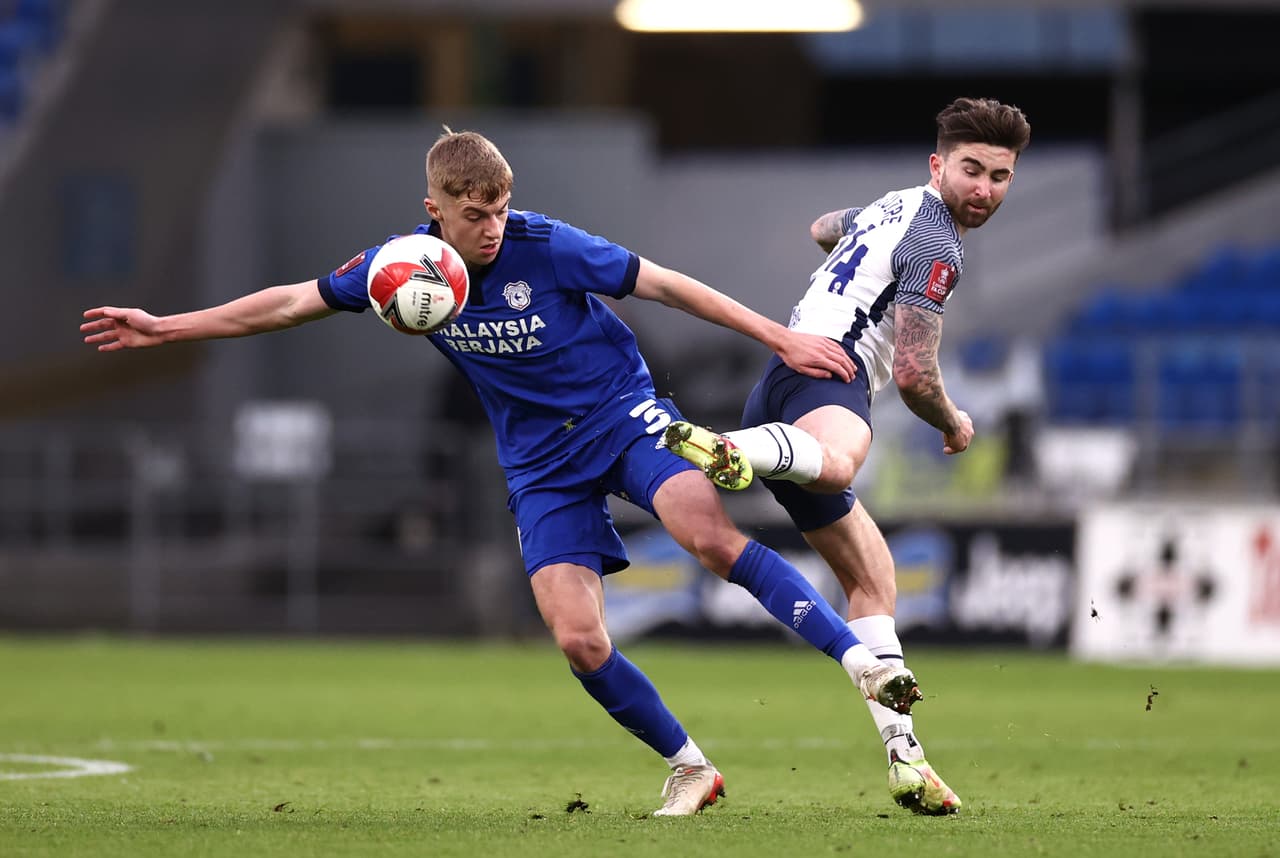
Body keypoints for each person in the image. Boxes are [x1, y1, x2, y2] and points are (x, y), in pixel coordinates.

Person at [81, 129, 925, 816]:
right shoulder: (396, 269)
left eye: (501, 208)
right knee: (577, 637)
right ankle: (690, 767)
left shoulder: (545, 246)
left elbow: (665, 285)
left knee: (705, 534)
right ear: (435, 211)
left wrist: (776, 339)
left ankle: (859, 661)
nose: (492, 226)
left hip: (621, 415)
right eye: (476, 213)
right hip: (538, 462)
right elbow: (287, 303)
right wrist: (168, 328)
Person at [664, 97, 1032, 816]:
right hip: (824, 380)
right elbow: (919, 374)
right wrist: (955, 423)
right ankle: (732, 448)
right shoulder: (939, 247)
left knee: (873, 578)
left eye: (999, 175)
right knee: (840, 464)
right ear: (939, 164)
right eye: (970, 170)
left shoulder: (893, 204)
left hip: (782, 383)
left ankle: (907, 761)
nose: (984, 189)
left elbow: (822, 228)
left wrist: (855, 256)